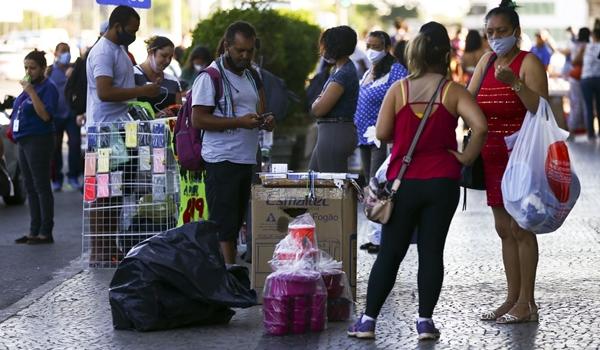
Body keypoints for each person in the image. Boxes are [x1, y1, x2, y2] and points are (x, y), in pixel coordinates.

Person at [347, 21, 487, 341]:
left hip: (403, 182)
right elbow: (479, 126)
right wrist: (464, 158)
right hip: (443, 182)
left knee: (390, 252)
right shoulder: (453, 91)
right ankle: (425, 322)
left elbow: (382, 134)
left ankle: (368, 321)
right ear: (445, 54)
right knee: (431, 251)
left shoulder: (400, 90)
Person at [469, 0, 565, 324]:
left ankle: (528, 302)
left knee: (521, 227)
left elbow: (541, 109)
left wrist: (514, 82)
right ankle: (511, 299)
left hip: (522, 156)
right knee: (502, 229)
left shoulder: (529, 63)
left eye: (501, 31)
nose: (495, 37)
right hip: (492, 155)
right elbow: (468, 101)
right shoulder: (486, 60)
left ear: (516, 32)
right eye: (490, 32)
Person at [191, 21, 274, 265]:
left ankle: (231, 273)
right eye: (240, 50)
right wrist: (239, 122)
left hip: (245, 157)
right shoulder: (210, 76)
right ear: (227, 46)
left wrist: (264, 121)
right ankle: (228, 274)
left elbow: (256, 109)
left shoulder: (250, 74)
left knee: (237, 220)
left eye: (250, 50)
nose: (245, 55)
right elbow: (198, 119)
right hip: (222, 158)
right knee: (224, 225)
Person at [86, 5, 159, 264]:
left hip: (119, 129)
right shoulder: (103, 52)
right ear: (116, 26)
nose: (134, 34)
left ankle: (110, 248)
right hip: (105, 132)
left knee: (115, 192)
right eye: (131, 30)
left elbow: (120, 88)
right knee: (104, 194)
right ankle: (99, 251)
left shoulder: (119, 51)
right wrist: (143, 92)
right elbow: (104, 92)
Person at [354, 31, 409, 254]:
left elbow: (403, 99)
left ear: (386, 47)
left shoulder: (396, 70)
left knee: (380, 184)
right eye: (368, 45)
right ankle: (373, 232)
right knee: (370, 184)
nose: (371, 50)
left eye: (376, 46)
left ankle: (381, 234)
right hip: (364, 137)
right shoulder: (371, 70)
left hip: (382, 137)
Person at [12, 50, 59, 244]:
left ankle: (45, 231)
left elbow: (45, 115)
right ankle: (34, 229)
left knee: (41, 186)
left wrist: (30, 92)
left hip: (39, 139)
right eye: (26, 68)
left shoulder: (48, 88)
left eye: (32, 68)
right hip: (24, 139)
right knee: (29, 186)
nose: (28, 71)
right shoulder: (30, 87)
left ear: (42, 68)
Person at [309, 25, 359, 173]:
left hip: (335, 132)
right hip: (331, 131)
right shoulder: (338, 69)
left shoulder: (343, 74)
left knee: (331, 188)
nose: (321, 51)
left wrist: (317, 100)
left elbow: (319, 109)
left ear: (334, 47)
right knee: (314, 181)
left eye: (324, 46)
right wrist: (320, 99)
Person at [47, 42, 82, 192]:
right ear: (55, 54)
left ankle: (73, 176)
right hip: (55, 115)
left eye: (68, 51)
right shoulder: (49, 71)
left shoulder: (74, 69)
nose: (66, 54)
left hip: (71, 115)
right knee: (55, 148)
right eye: (62, 51)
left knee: (74, 145)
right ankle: (57, 179)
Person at [133, 36, 182, 113]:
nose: (167, 61)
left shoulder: (173, 82)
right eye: (164, 56)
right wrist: (155, 117)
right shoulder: (132, 74)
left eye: (170, 57)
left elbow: (180, 113)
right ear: (151, 52)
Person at [567, 27, 590, 139]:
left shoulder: (576, 44)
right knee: (582, 106)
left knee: (579, 105)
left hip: (577, 77)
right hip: (580, 77)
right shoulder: (584, 46)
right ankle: (575, 131)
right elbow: (575, 61)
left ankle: (575, 131)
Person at [579, 28, 600, 140]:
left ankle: (591, 134)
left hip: (586, 79)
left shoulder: (586, 46)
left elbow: (576, 61)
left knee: (588, 106)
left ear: (593, 36)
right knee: (599, 106)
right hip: (598, 78)